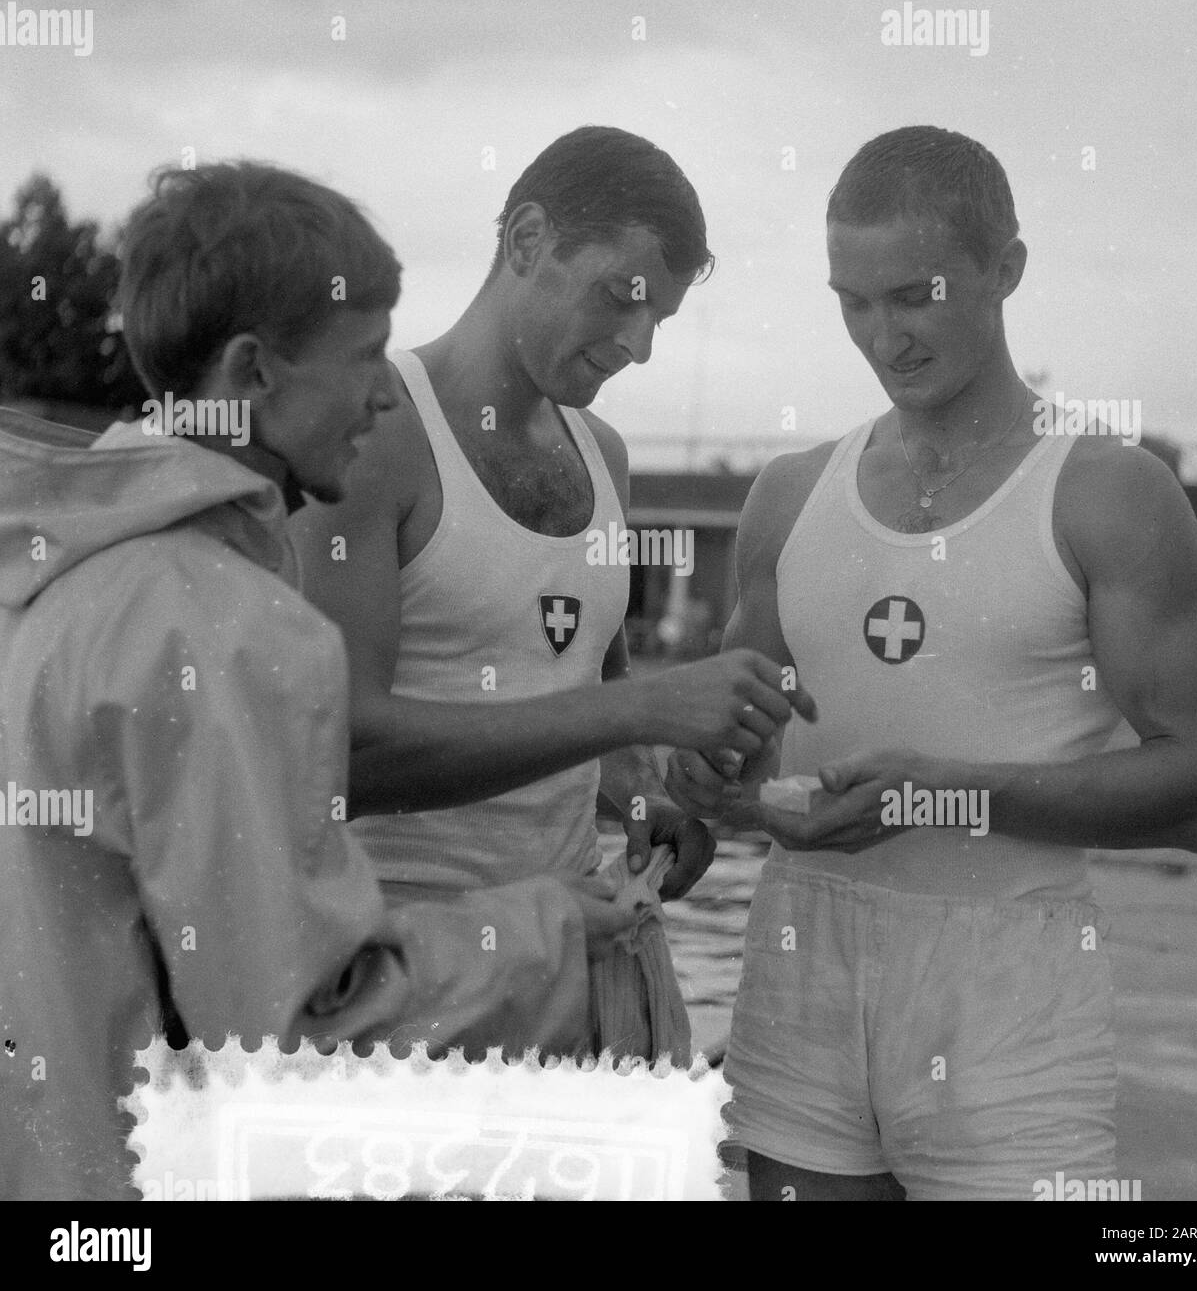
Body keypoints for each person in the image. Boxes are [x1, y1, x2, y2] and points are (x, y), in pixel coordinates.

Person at [0, 158, 724, 1201]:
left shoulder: (60, 572)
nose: (386, 392)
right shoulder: (229, 624)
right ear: (253, 372)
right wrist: (554, 925)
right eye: (365, 355)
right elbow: (298, 1022)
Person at [666, 126, 1197, 1200]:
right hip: (801, 954)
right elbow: (716, 757)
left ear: (1005, 270)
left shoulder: (1105, 495)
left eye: (915, 295)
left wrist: (948, 797)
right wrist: (697, 793)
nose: (883, 337)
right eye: (852, 302)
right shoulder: (788, 494)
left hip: (1006, 986)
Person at [288, 127, 814, 1058]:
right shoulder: (372, 438)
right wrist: (647, 704)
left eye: (662, 319)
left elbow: (584, 716)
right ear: (527, 239)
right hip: (398, 980)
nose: (641, 347)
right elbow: (340, 761)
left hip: (579, 954)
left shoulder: (604, 457)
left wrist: (641, 797)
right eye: (624, 297)